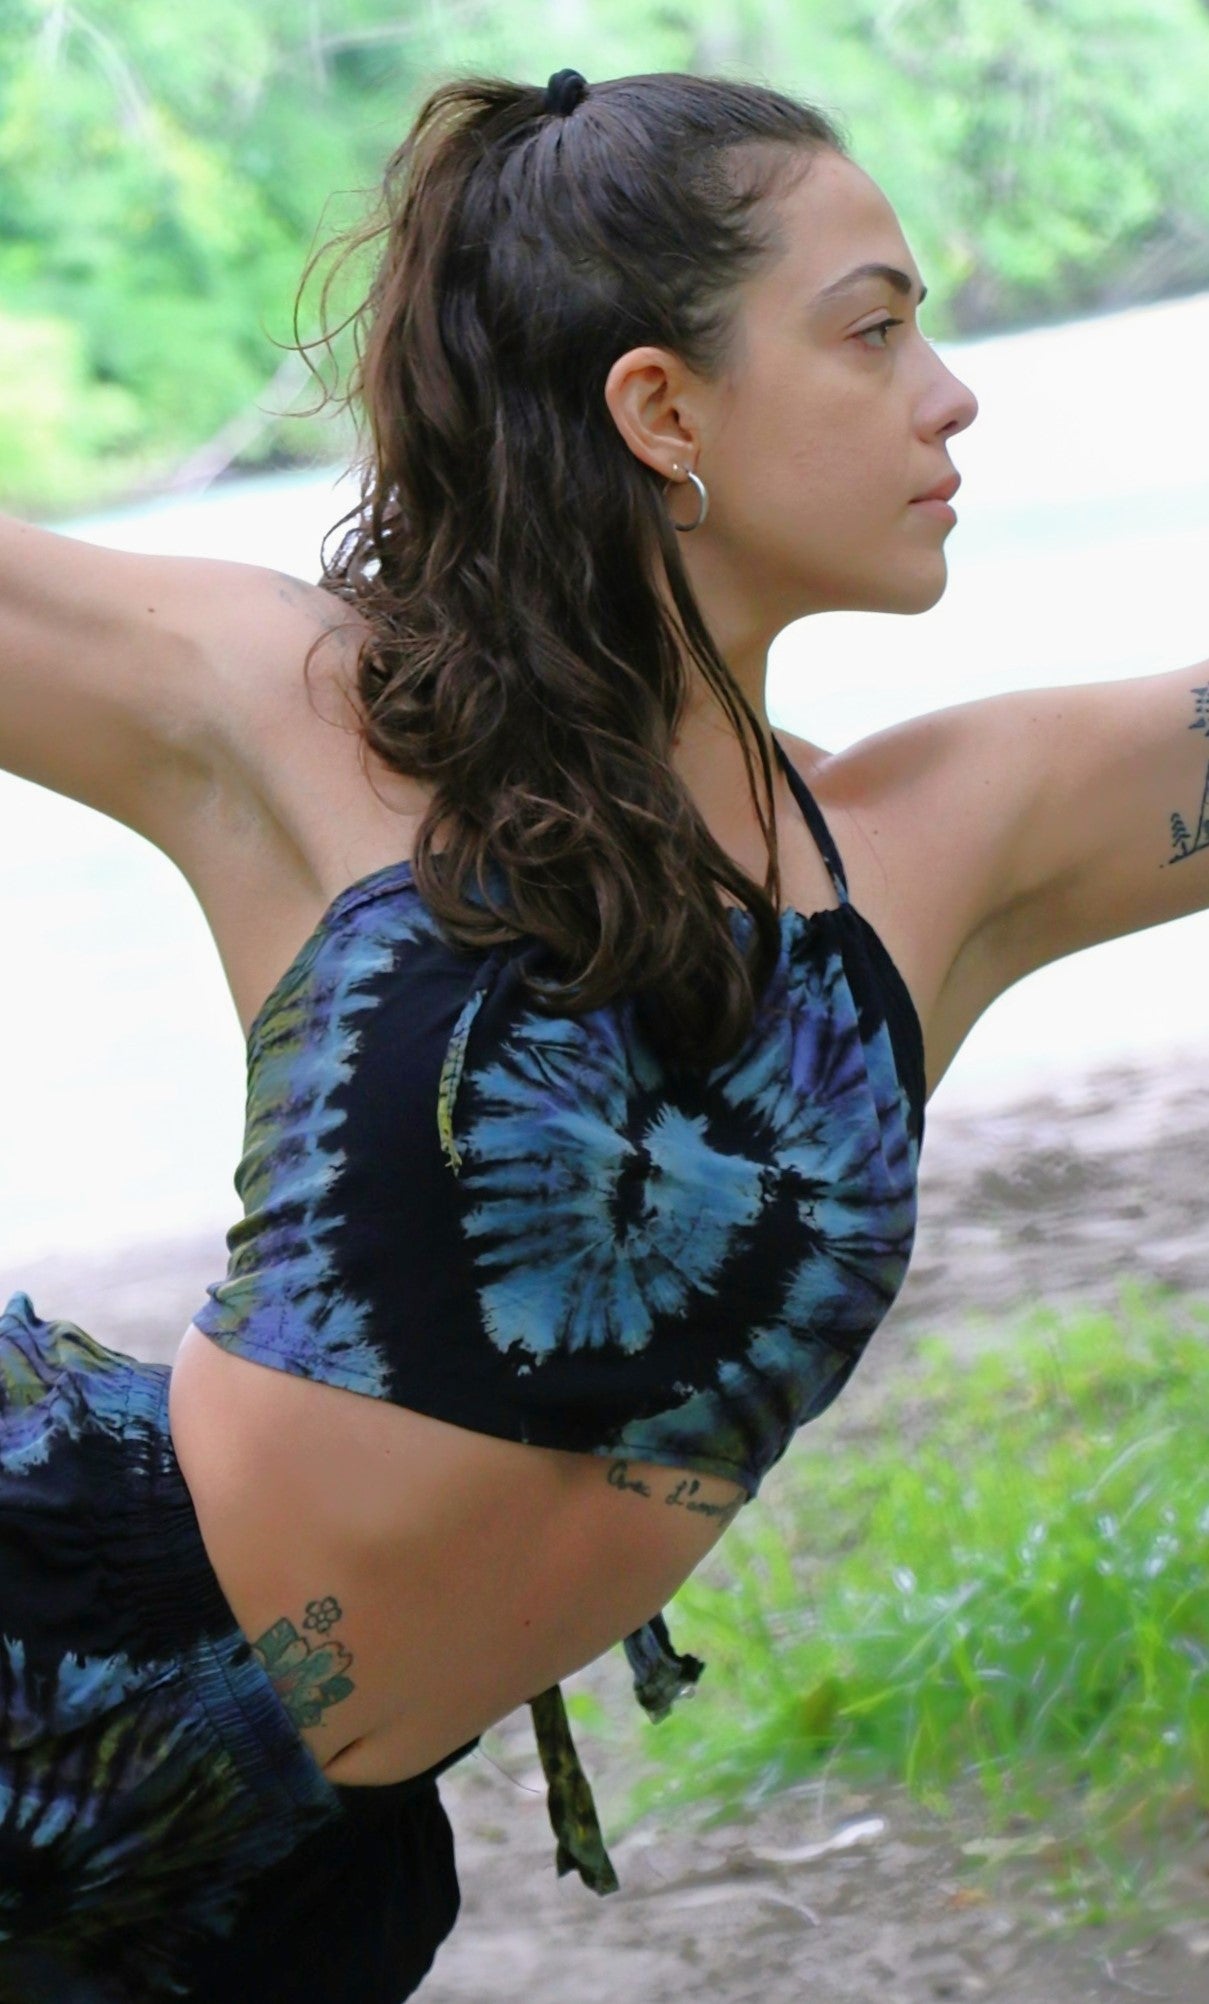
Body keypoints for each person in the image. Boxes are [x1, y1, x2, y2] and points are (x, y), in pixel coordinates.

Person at [0, 58, 1205, 2002]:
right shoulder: (306, 718)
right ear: (660, 407)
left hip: (293, 1866)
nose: (948, 388)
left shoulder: (935, 851)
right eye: (873, 330)